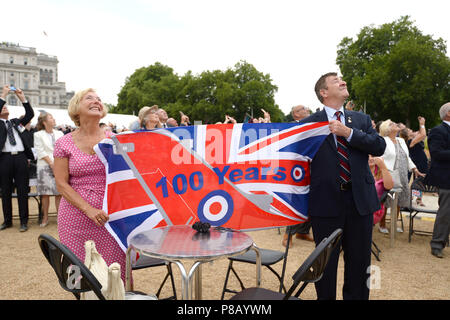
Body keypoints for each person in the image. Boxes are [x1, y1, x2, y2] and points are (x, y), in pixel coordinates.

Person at [300, 72, 386, 300]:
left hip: (360, 203)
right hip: (325, 203)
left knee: (360, 264)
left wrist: (348, 133)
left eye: (342, 78)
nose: (343, 81)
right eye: (335, 80)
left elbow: (379, 146)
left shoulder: (361, 120)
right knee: (325, 267)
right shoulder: (307, 124)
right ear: (324, 92)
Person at [53, 88, 127, 282]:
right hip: (74, 218)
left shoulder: (115, 140)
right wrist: (89, 209)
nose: (96, 101)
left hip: (111, 217)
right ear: (76, 108)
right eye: (89, 98)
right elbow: (61, 184)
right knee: (78, 275)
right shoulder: (63, 143)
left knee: (116, 271)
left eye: (99, 99)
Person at [379, 119, 424, 233]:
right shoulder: (383, 141)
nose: (395, 124)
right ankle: (382, 224)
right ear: (387, 129)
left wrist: (414, 168)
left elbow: (406, 157)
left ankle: (394, 223)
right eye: (392, 124)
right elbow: (381, 158)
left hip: (403, 174)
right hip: (389, 174)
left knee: (399, 200)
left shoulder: (401, 141)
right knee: (387, 200)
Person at [0, 85, 34, 232]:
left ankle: (23, 221)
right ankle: (7, 221)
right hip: (4, 159)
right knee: (5, 191)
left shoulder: (15, 123)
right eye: (2, 107)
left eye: (5, 106)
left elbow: (29, 114)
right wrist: (3, 95)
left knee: (22, 190)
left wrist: (22, 98)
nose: (4, 107)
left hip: (20, 158)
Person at [282, 104, 314, 247]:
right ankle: (288, 235)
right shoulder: (290, 127)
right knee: (298, 202)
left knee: (315, 200)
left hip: (313, 167)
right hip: (297, 169)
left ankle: (303, 231)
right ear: (296, 114)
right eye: (303, 109)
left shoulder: (314, 125)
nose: (307, 110)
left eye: (306, 109)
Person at [425, 102, 450, 258]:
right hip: (445, 178)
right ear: (448, 113)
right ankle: (437, 244)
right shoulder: (437, 131)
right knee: (446, 212)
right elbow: (436, 153)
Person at [34, 112, 63, 227]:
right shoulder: (38, 135)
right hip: (44, 166)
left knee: (59, 193)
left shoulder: (60, 133)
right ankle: (45, 217)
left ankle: (60, 218)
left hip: (59, 165)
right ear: (44, 122)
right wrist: (51, 163)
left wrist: (58, 164)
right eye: (51, 117)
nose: (54, 119)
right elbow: (40, 151)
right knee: (45, 194)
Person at [401, 117, 428, 206]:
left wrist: (420, 124)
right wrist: (422, 124)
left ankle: (417, 198)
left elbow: (421, 132)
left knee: (420, 180)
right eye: (409, 130)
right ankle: (412, 197)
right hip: (417, 161)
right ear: (408, 135)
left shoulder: (413, 138)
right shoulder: (410, 141)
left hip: (421, 161)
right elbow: (423, 134)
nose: (411, 130)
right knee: (417, 180)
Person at [369, 155, 394, 227]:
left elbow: (389, 186)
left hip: (375, 209)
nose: (370, 158)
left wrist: (383, 167)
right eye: (368, 156)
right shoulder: (360, 171)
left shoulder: (381, 171)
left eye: (373, 156)